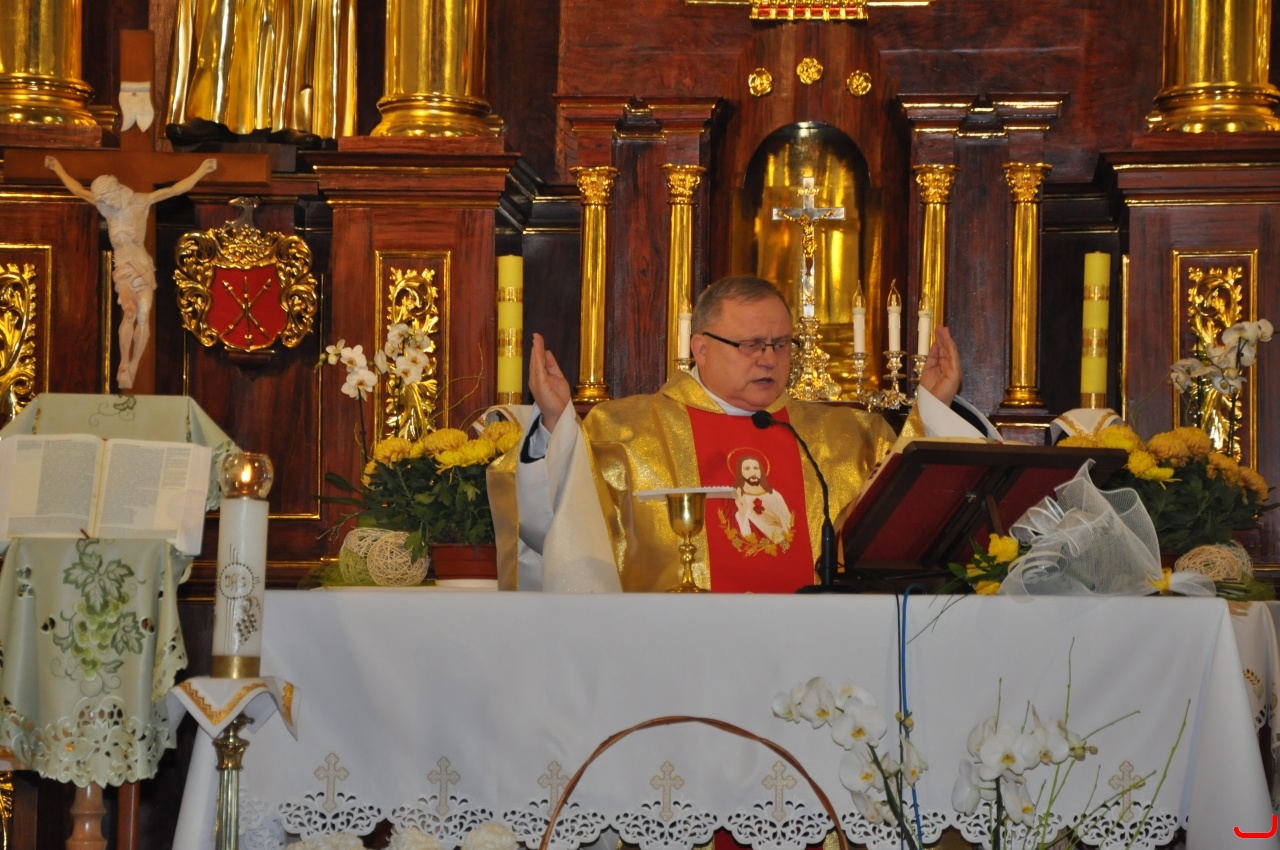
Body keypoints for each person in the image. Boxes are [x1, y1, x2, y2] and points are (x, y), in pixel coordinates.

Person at [501, 275, 990, 593]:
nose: (769, 359)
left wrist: (932, 409)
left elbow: (908, 514)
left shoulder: (845, 435)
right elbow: (556, 530)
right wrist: (556, 427)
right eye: (752, 344)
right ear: (701, 348)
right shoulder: (623, 431)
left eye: (780, 344)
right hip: (673, 658)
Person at [46, 156, 218, 390]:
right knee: (129, 312)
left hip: (142, 266)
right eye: (102, 200)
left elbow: (175, 190)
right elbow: (77, 190)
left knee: (143, 315)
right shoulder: (107, 209)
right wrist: (57, 168)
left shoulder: (140, 202)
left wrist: (201, 171)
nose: (105, 203)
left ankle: (135, 362)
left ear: (116, 191)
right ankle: (124, 363)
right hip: (123, 269)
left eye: (107, 198)